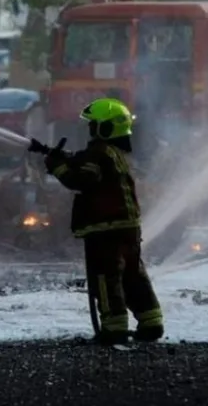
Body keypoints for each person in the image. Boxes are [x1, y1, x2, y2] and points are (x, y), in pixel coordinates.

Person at [39, 98, 164, 344]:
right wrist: (68, 158)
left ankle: (113, 329)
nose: (89, 129)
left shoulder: (98, 152)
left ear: (104, 128)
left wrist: (57, 168)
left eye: (93, 125)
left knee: (106, 279)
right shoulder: (115, 153)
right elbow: (93, 168)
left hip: (106, 229)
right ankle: (151, 323)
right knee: (133, 276)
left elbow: (83, 180)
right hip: (128, 228)